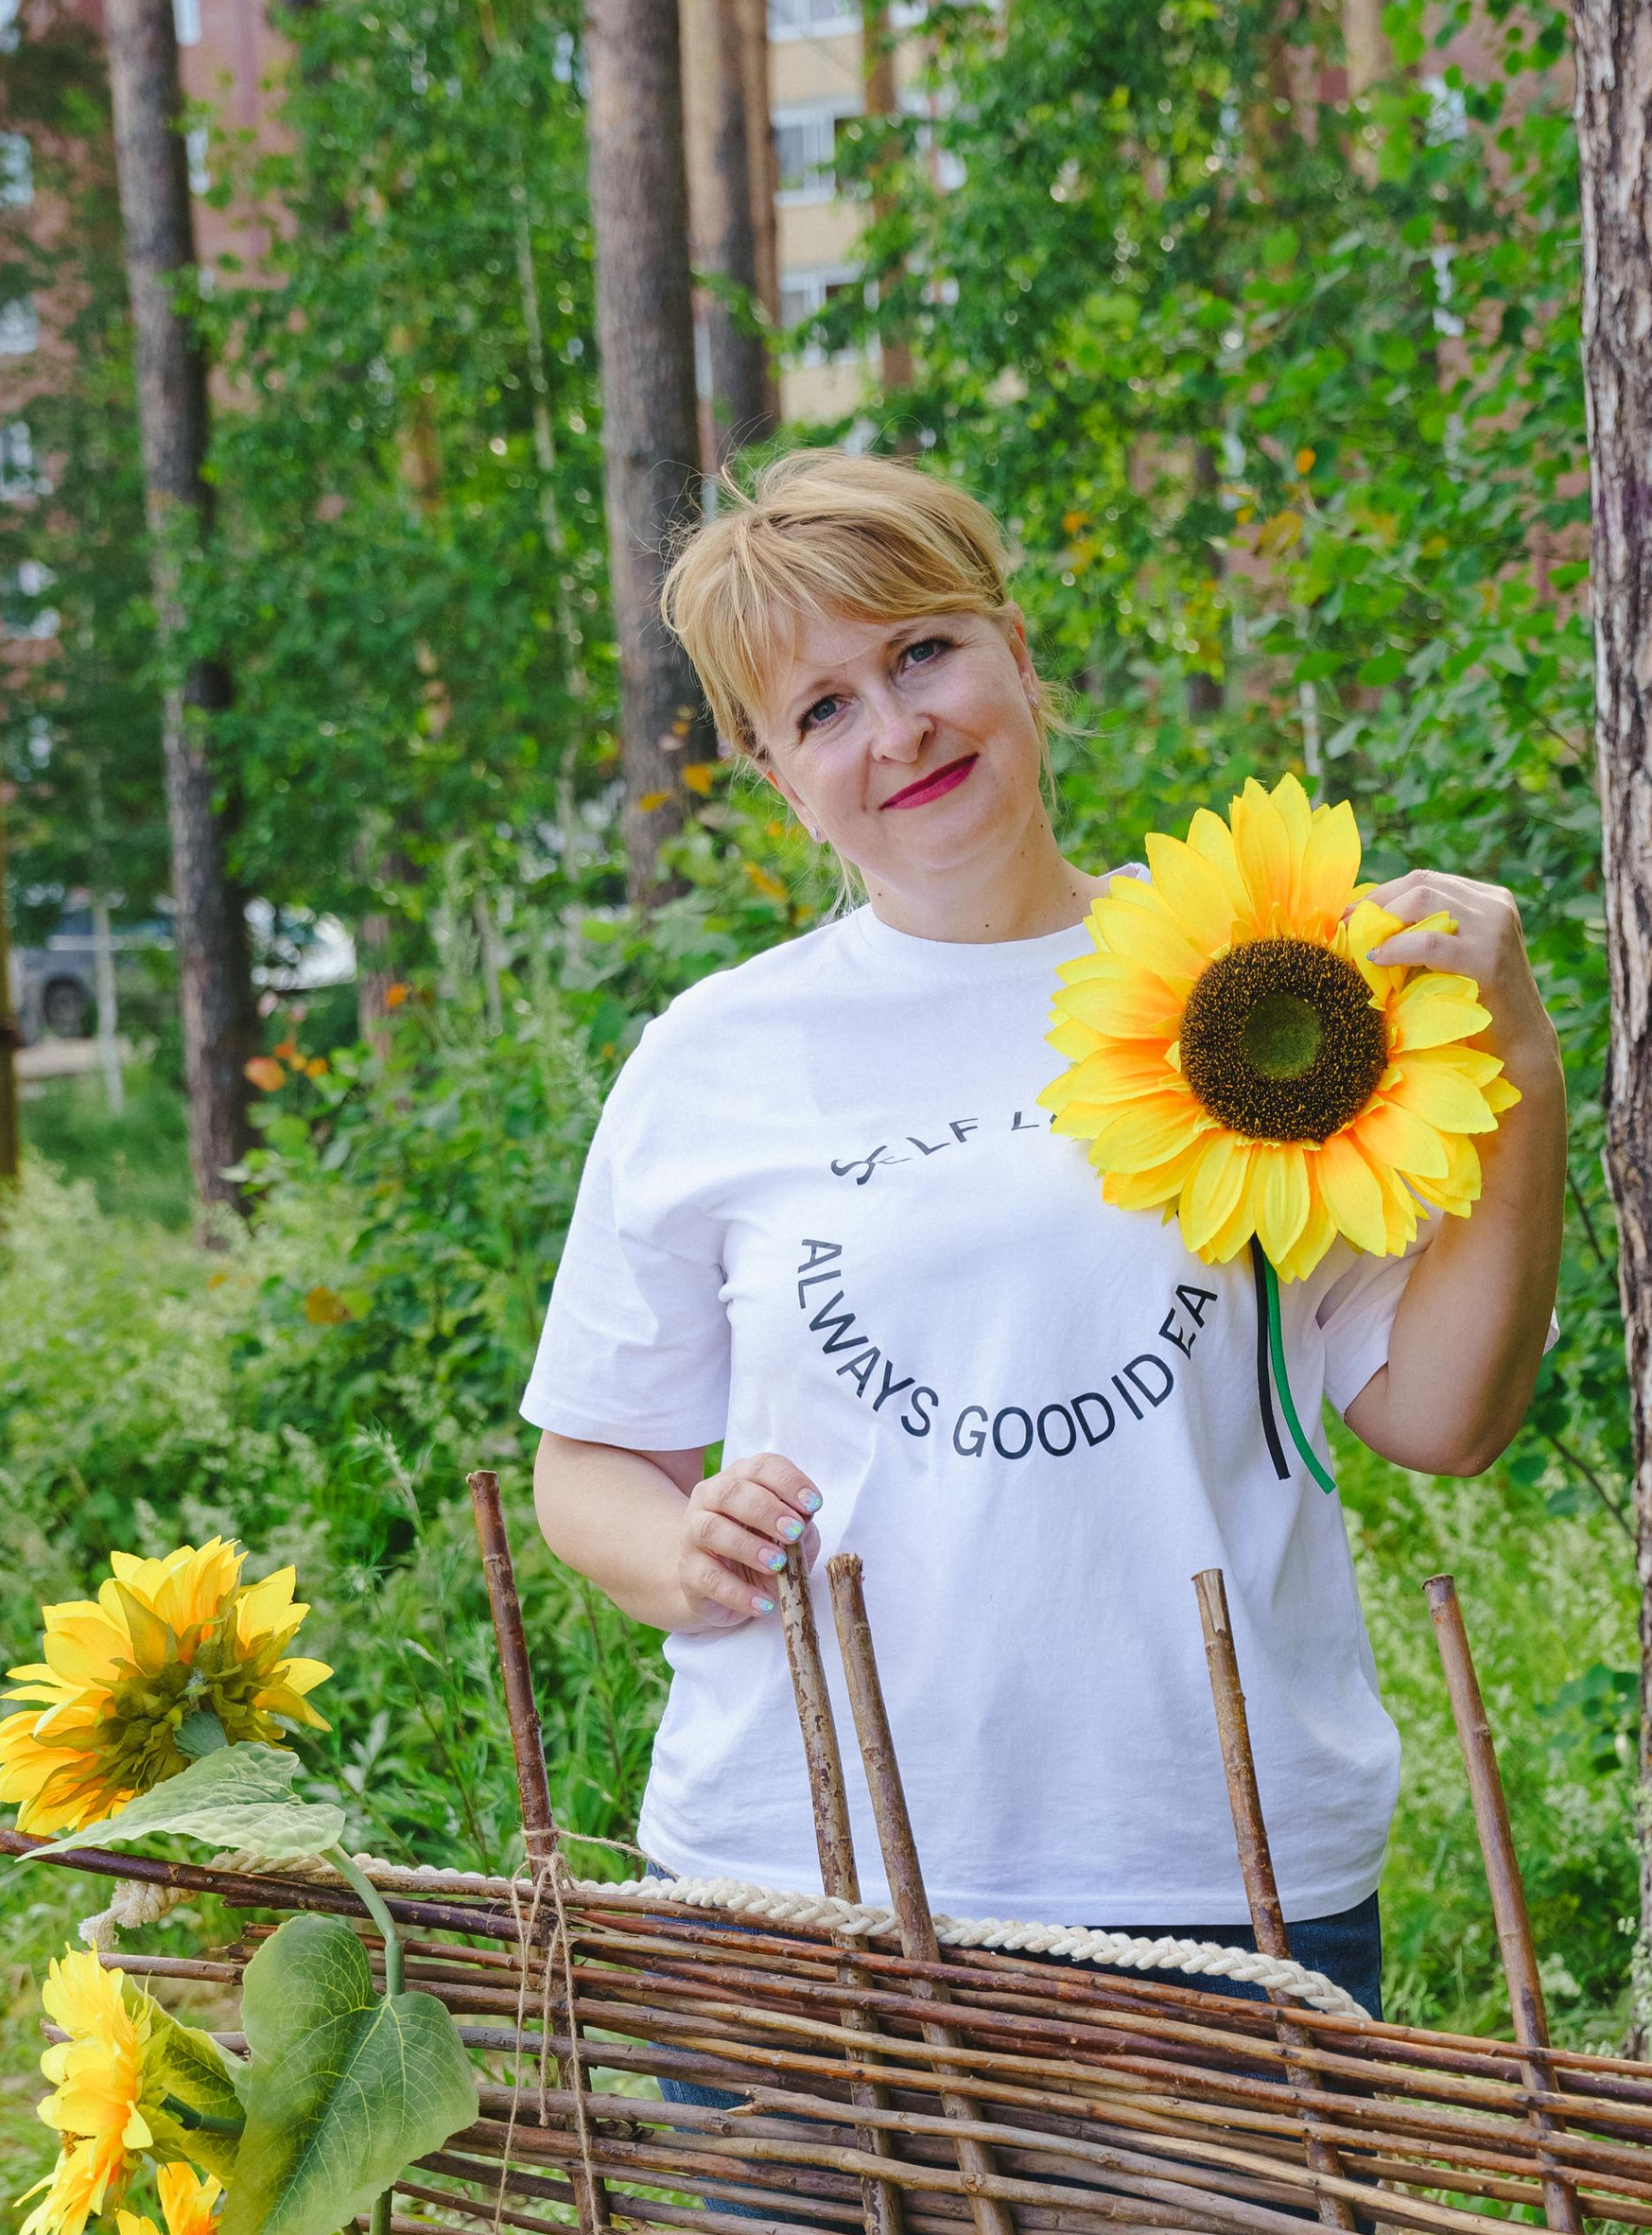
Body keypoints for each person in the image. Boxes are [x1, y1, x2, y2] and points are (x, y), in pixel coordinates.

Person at [523, 451, 1564, 2016]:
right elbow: (585, 1464)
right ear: (775, 775)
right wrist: (677, 1550)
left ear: (1013, 648)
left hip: (1212, 1877)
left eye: (921, 651)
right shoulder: (712, 1054)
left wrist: (1526, 1065)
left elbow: (1441, 1414)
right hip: (796, 1885)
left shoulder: (1256, 983)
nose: (897, 729)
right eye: (821, 711)